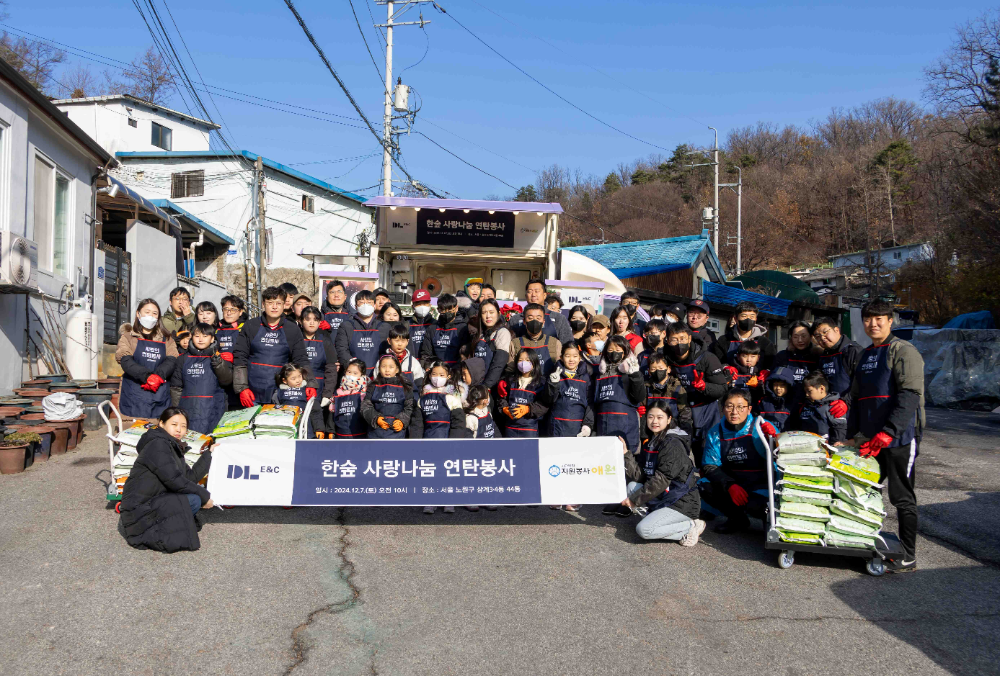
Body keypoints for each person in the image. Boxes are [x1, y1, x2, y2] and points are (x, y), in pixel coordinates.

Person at [847, 300, 924, 572]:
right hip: (870, 441)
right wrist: (853, 436)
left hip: (898, 439)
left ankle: (908, 555)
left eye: (879, 318)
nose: (873, 324)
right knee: (865, 492)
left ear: (890, 321)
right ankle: (864, 541)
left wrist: (889, 432)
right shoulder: (865, 354)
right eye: (868, 319)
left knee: (901, 497)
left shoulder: (903, 350)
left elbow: (910, 395)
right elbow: (856, 399)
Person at [117, 408, 213, 553]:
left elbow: (189, 477)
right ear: (161, 424)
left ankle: (171, 523)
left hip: (152, 500)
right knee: (193, 500)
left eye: (183, 426)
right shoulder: (158, 445)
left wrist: (209, 454)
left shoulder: (172, 445)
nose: (179, 429)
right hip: (140, 510)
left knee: (192, 498)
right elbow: (175, 480)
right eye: (174, 424)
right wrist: (205, 497)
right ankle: (157, 528)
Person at [614, 403, 704, 545]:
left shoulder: (672, 443)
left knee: (644, 530)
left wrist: (634, 500)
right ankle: (658, 520)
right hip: (664, 495)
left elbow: (661, 480)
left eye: (660, 417)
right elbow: (641, 475)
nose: (654, 421)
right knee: (631, 487)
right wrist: (626, 454)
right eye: (650, 417)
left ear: (669, 419)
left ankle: (690, 526)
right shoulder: (652, 441)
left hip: (681, 501)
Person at [700, 389, 778, 533]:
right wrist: (730, 485)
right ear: (723, 408)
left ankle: (768, 521)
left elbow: (782, 457)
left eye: (740, 407)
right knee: (703, 486)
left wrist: (774, 440)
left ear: (749, 409)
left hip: (761, 485)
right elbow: (710, 465)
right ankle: (737, 519)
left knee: (762, 507)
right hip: (734, 484)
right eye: (729, 406)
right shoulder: (715, 432)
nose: (734, 412)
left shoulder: (761, 427)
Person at [233, 286, 316, 407]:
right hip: (252, 393)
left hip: (282, 393)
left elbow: (301, 359)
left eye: (278, 303)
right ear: (263, 304)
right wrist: (242, 388)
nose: (274, 307)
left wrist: (310, 383)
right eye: (270, 303)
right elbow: (240, 357)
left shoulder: (292, 329)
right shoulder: (251, 326)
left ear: (284, 305)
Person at [662, 323, 727, 465]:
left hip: (707, 410)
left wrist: (704, 387)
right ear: (667, 340)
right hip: (680, 410)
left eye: (682, 338)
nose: (679, 343)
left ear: (689, 338)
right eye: (674, 340)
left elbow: (722, 388)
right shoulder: (664, 358)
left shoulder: (707, 358)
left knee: (707, 452)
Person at [116, 299, 178, 419]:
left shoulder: (167, 339)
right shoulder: (128, 337)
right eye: (147, 312)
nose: (151, 316)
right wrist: (147, 376)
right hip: (134, 394)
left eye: (155, 313)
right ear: (138, 314)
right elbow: (125, 360)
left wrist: (158, 376)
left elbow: (172, 359)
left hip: (160, 392)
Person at [170, 322, 232, 434]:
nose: (200, 339)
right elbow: (176, 387)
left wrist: (218, 364)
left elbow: (227, 381)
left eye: (205, 336)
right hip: (188, 408)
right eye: (197, 336)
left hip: (213, 408)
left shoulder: (219, 358)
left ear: (212, 339)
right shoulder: (182, 359)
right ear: (192, 338)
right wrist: (176, 411)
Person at [593, 335, 646, 453]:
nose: (614, 353)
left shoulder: (630, 371)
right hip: (603, 423)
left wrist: (635, 376)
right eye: (610, 350)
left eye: (618, 350)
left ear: (625, 352)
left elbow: (639, 397)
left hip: (626, 424)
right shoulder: (599, 374)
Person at [545, 341, 594, 439]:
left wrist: (588, 425)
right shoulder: (555, 375)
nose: (571, 359)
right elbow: (548, 399)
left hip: (577, 427)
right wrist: (553, 384)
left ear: (580, 358)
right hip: (556, 427)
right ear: (561, 357)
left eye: (575, 356)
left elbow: (590, 402)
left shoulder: (586, 378)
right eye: (567, 356)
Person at [299, 307, 339, 428]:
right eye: (308, 319)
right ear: (301, 321)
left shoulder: (325, 341)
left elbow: (331, 369)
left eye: (315, 320)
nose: (312, 323)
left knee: (317, 424)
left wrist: (327, 394)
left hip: (320, 388)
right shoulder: (295, 339)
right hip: (298, 386)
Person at [410, 360, 468, 440]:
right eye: (434, 374)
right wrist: (416, 443)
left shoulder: (453, 398)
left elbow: (458, 424)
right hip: (426, 442)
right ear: (430, 376)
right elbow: (417, 426)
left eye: (441, 375)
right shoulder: (422, 399)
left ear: (448, 376)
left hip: (446, 442)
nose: (437, 377)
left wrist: (453, 442)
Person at [498, 348, 549, 438]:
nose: (523, 363)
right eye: (520, 360)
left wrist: (528, 409)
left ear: (534, 362)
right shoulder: (509, 380)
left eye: (527, 360)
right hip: (510, 427)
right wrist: (504, 408)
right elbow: (502, 398)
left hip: (529, 429)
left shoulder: (541, 383)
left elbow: (544, 405)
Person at [361, 354, 414, 439]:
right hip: (376, 433)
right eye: (383, 366)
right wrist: (376, 419)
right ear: (379, 369)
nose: (387, 370)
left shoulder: (405, 386)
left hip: (397, 433)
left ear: (397, 369)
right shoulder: (373, 386)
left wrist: (402, 420)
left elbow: (410, 407)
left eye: (391, 367)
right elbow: (365, 406)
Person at [812, 317, 863, 403]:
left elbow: (863, 383)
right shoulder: (823, 356)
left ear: (836, 330)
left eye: (825, 332)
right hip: (829, 406)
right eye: (818, 336)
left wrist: (846, 402)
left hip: (850, 406)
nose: (822, 338)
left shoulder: (853, 351)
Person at [713, 301, 775, 369]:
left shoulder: (765, 343)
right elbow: (717, 364)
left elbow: (771, 365)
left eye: (752, 316)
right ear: (736, 319)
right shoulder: (724, 341)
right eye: (744, 316)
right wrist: (725, 368)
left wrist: (765, 372)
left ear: (756, 319)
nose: (748, 319)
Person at [335, 290, 384, 376]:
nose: (365, 305)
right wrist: (353, 368)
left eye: (369, 302)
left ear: (374, 305)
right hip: (353, 376)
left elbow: (386, 351)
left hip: (378, 375)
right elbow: (341, 349)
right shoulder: (347, 326)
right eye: (361, 302)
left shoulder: (383, 326)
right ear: (356, 306)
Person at [505, 303, 561, 377]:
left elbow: (560, 367)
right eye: (530, 318)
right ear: (524, 321)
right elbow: (510, 369)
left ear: (543, 322)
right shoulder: (515, 343)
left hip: (548, 383)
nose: (534, 321)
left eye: (538, 318)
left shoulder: (554, 343)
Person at [791, 371, 847, 443]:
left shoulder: (834, 406)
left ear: (821, 389)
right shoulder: (804, 406)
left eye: (809, 391)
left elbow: (839, 432)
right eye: (805, 391)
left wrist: (833, 447)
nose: (806, 394)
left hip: (826, 447)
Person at [644, 352, 692, 436]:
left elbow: (685, 412)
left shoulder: (677, 387)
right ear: (649, 371)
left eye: (661, 368)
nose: (658, 371)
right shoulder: (646, 388)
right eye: (653, 369)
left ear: (668, 369)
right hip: (652, 433)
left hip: (673, 432)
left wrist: (685, 434)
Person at [772, 320, 818, 406]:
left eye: (804, 336)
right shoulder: (782, 356)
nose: (800, 340)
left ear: (811, 336)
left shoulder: (818, 357)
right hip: (786, 405)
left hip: (810, 404)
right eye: (795, 337)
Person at [272, 363, 323, 438]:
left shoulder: (307, 391)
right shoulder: (278, 393)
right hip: (287, 429)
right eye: (293, 378)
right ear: (284, 380)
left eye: (299, 376)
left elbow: (316, 410)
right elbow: (275, 411)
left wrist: (319, 429)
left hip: (306, 429)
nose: (298, 380)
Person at [471, 299, 511, 389]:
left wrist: (486, 386)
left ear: (498, 313)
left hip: (491, 387)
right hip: (476, 385)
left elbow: (499, 364)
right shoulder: (479, 335)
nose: (488, 316)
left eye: (491, 312)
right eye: (484, 313)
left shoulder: (502, 332)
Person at [420, 293, 468, 366]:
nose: (446, 313)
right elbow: (426, 354)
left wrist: (457, 370)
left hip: (456, 370)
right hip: (436, 369)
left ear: (456, 308)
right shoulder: (432, 329)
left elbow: (464, 355)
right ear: (438, 309)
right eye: (443, 310)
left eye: (450, 310)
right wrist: (428, 367)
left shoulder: (463, 328)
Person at [330, 359, 368, 439]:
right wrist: (331, 430)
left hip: (360, 434)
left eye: (355, 373)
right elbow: (332, 411)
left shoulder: (365, 391)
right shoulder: (338, 392)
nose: (351, 375)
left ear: (362, 374)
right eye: (349, 372)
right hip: (341, 434)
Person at [384, 323, 425, 390]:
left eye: (403, 341)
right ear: (389, 341)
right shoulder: (383, 361)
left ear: (407, 341)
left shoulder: (413, 362)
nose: (400, 344)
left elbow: (419, 383)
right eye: (396, 340)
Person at [724, 342, 767, 407]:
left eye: (753, 356)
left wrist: (759, 386)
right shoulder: (731, 372)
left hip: (755, 409)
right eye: (744, 356)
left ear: (758, 358)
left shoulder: (761, 374)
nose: (748, 360)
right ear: (738, 356)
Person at [755, 366, 795, 432]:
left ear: (789, 386)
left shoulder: (794, 404)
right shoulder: (764, 402)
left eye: (782, 385)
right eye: (775, 385)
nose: (778, 388)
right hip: (766, 437)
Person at [320, 279, 351, 344]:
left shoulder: (353, 318)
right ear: (327, 297)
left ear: (345, 296)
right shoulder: (319, 318)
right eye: (332, 292)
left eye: (339, 291)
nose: (336, 295)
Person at [408, 289, 434, 357]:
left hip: (429, 362)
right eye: (418, 304)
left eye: (425, 303)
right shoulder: (406, 325)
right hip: (411, 362)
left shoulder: (435, 324)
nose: (422, 306)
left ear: (430, 305)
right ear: (413, 306)